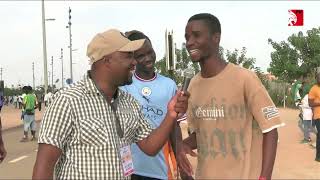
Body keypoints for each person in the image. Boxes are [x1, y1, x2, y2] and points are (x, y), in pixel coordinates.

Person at [32, 28, 189, 179]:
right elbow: (44, 166)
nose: (134, 62)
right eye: (128, 56)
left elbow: (150, 146)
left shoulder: (129, 103)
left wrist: (171, 114)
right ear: (106, 60)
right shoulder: (67, 101)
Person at [176, 13, 285, 179]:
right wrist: (183, 145)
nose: (190, 42)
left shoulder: (245, 78)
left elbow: (270, 129)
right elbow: (202, 135)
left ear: (216, 38)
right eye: (187, 37)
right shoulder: (193, 85)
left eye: (197, 35)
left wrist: (264, 176)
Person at [121, 30, 178, 180]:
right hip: (127, 170)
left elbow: (174, 125)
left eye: (150, 52)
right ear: (132, 59)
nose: (148, 58)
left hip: (157, 170)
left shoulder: (169, 85)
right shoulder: (123, 86)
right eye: (140, 56)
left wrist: (179, 156)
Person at [308, 70, 320, 162]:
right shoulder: (314, 89)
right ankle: (318, 156)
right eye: (319, 77)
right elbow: (310, 104)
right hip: (318, 116)